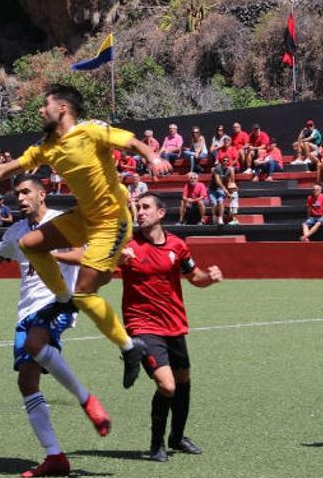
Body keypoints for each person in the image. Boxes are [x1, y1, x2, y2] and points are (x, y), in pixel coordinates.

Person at [0, 84, 172, 388]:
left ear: (62, 108)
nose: (40, 109)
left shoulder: (90, 131)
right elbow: (2, 171)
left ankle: (130, 348)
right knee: (29, 244)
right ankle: (63, 300)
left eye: (44, 104)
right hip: (85, 218)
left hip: (113, 221)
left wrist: (153, 158)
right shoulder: (46, 147)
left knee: (86, 293)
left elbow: (129, 141)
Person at [0, 175, 110, 477]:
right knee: (27, 382)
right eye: (17, 194)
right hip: (26, 310)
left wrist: (51, 252)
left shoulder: (62, 222)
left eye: (27, 192)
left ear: (42, 195)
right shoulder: (16, 230)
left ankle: (86, 398)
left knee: (35, 345)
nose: (21, 198)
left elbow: (88, 253)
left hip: (59, 301)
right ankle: (55, 457)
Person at [118, 192, 223, 462]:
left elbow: (194, 276)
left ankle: (177, 437)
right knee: (167, 386)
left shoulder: (177, 246)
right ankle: (156, 445)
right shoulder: (128, 245)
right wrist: (117, 261)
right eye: (137, 208)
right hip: (142, 324)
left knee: (183, 381)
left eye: (145, 207)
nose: (139, 212)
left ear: (161, 213)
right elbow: (101, 276)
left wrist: (209, 278)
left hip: (174, 324)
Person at [208, 157, 232, 225]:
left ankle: (220, 218)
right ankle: (214, 216)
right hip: (213, 189)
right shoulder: (217, 168)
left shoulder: (228, 170)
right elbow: (218, 181)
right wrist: (225, 190)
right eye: (224, 160)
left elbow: (229, 181)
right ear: (222, 161)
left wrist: (230, 191)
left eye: (227, 161)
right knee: (214, 204)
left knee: (221, 202)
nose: (226, 162)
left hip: (221, 189)